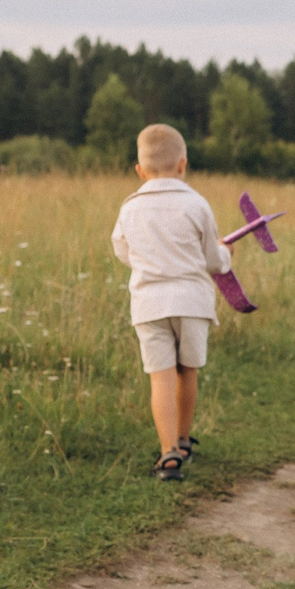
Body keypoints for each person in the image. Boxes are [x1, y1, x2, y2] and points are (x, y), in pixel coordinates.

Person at [109, 122, 234, 481]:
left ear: (139, 170)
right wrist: (226, 254)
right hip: (191, 302)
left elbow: (122, 248)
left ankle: (168, 454)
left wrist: (149, 263)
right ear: (183, 164)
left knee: (160, 378)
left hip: (148, 305)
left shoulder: (130, 207)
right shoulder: (197, 204)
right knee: (187, 372)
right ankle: (183, 439)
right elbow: (212, 259)